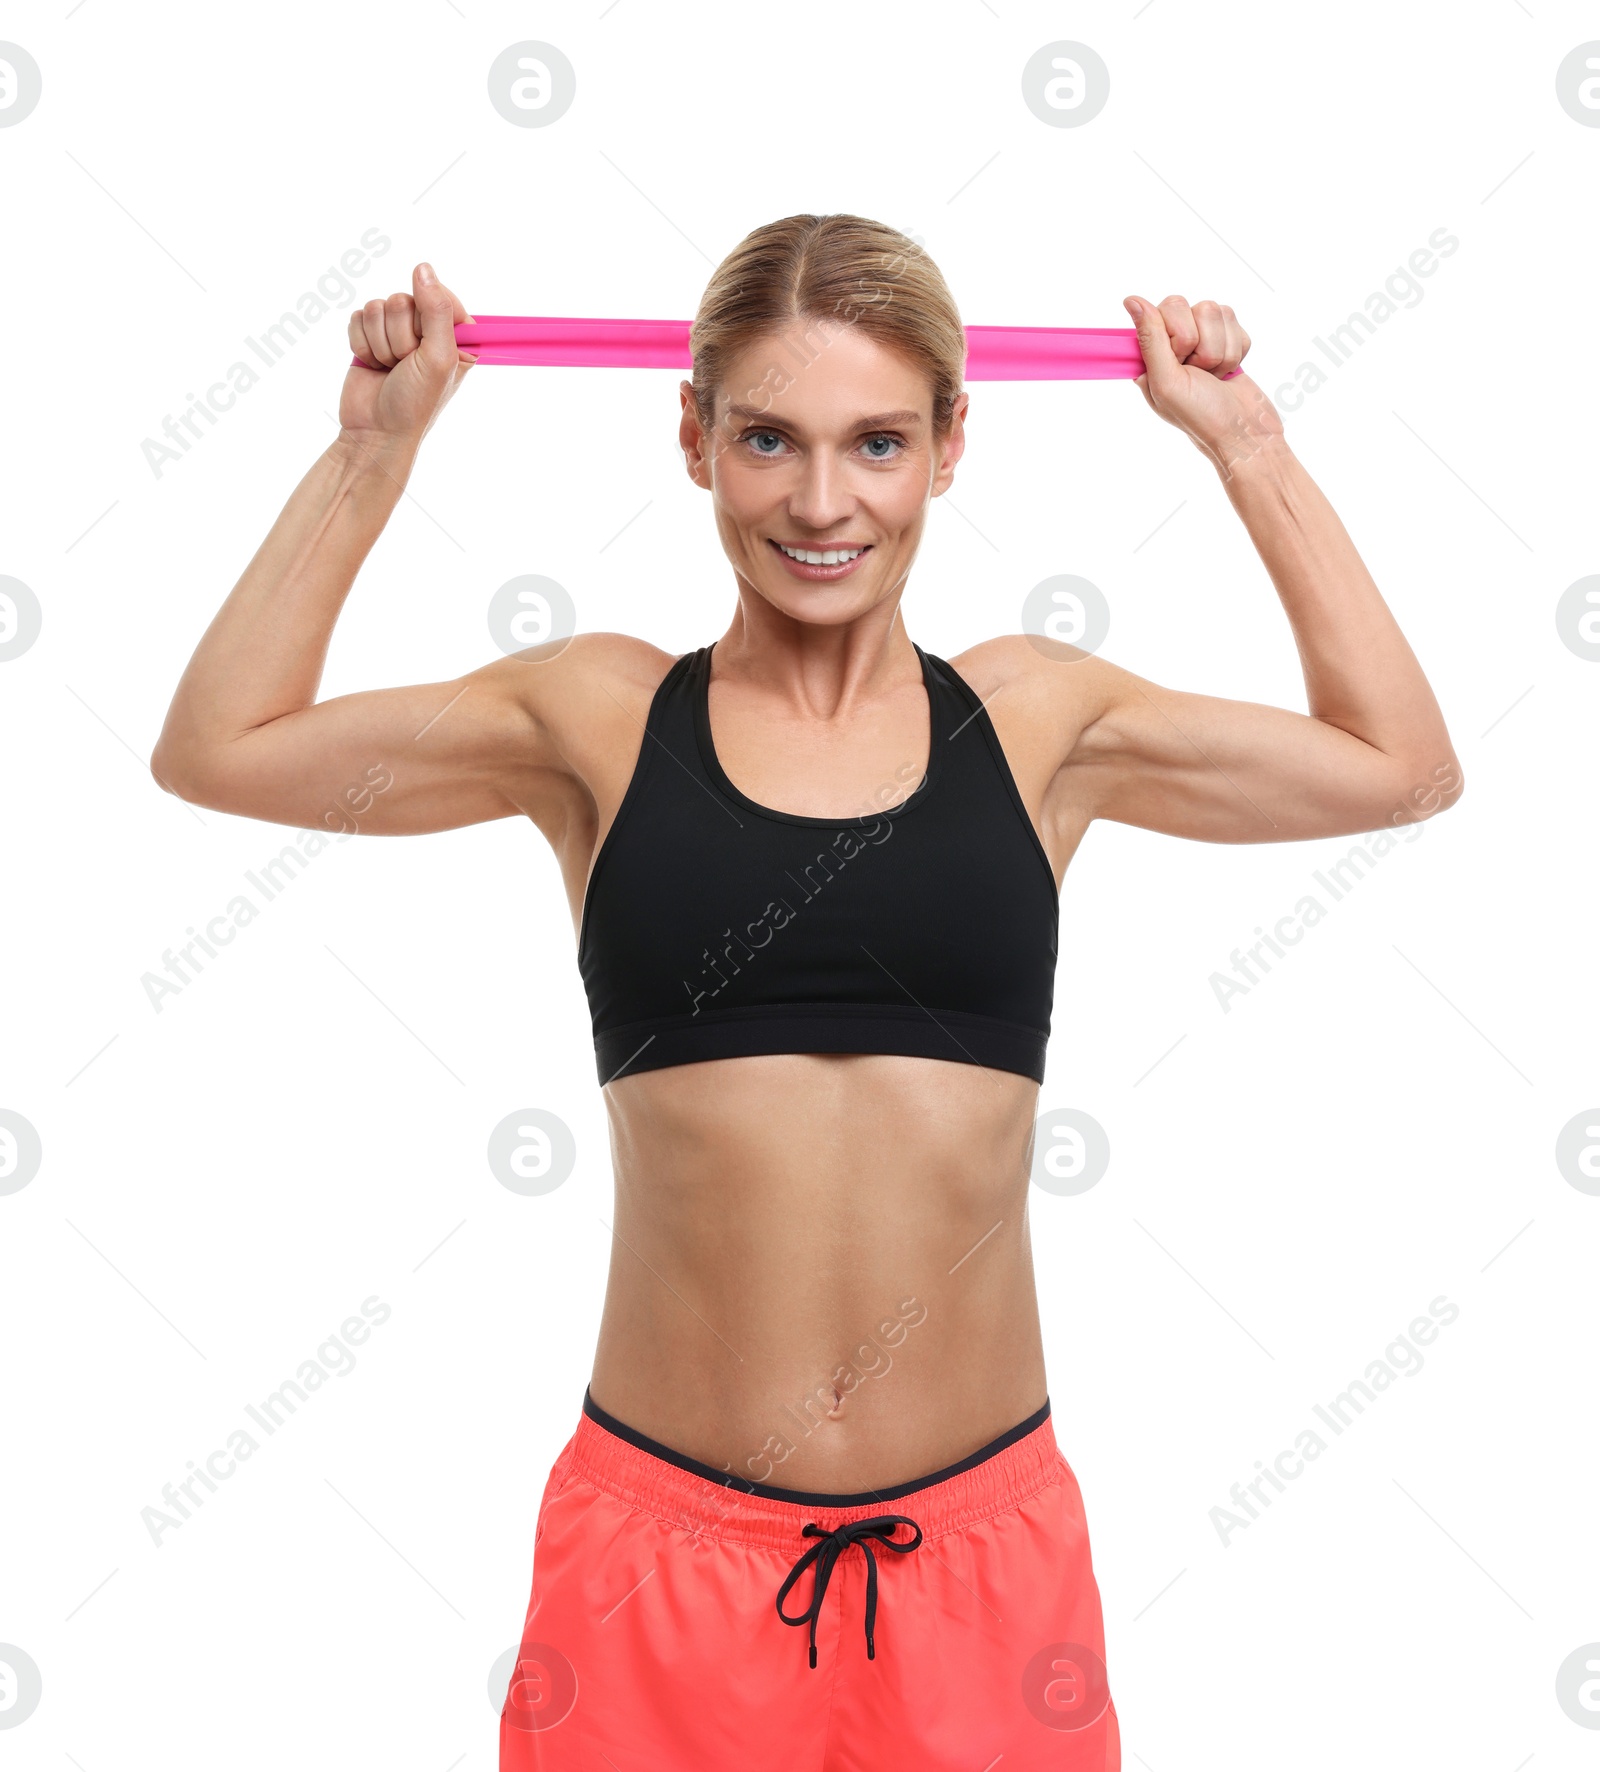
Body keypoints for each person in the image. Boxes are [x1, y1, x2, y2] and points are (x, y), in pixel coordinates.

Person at [149, 214, 1463, 1769]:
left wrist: (1249, 447)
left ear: (952, 446)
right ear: (693, 435)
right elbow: (216, 748)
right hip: (662, 1564)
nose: (823, 501)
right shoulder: (599, 714)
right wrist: (370, 457)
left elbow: (1402, 770)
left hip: (981, 1568)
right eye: (769, 437)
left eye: (878, 443)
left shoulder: (1037, 718)